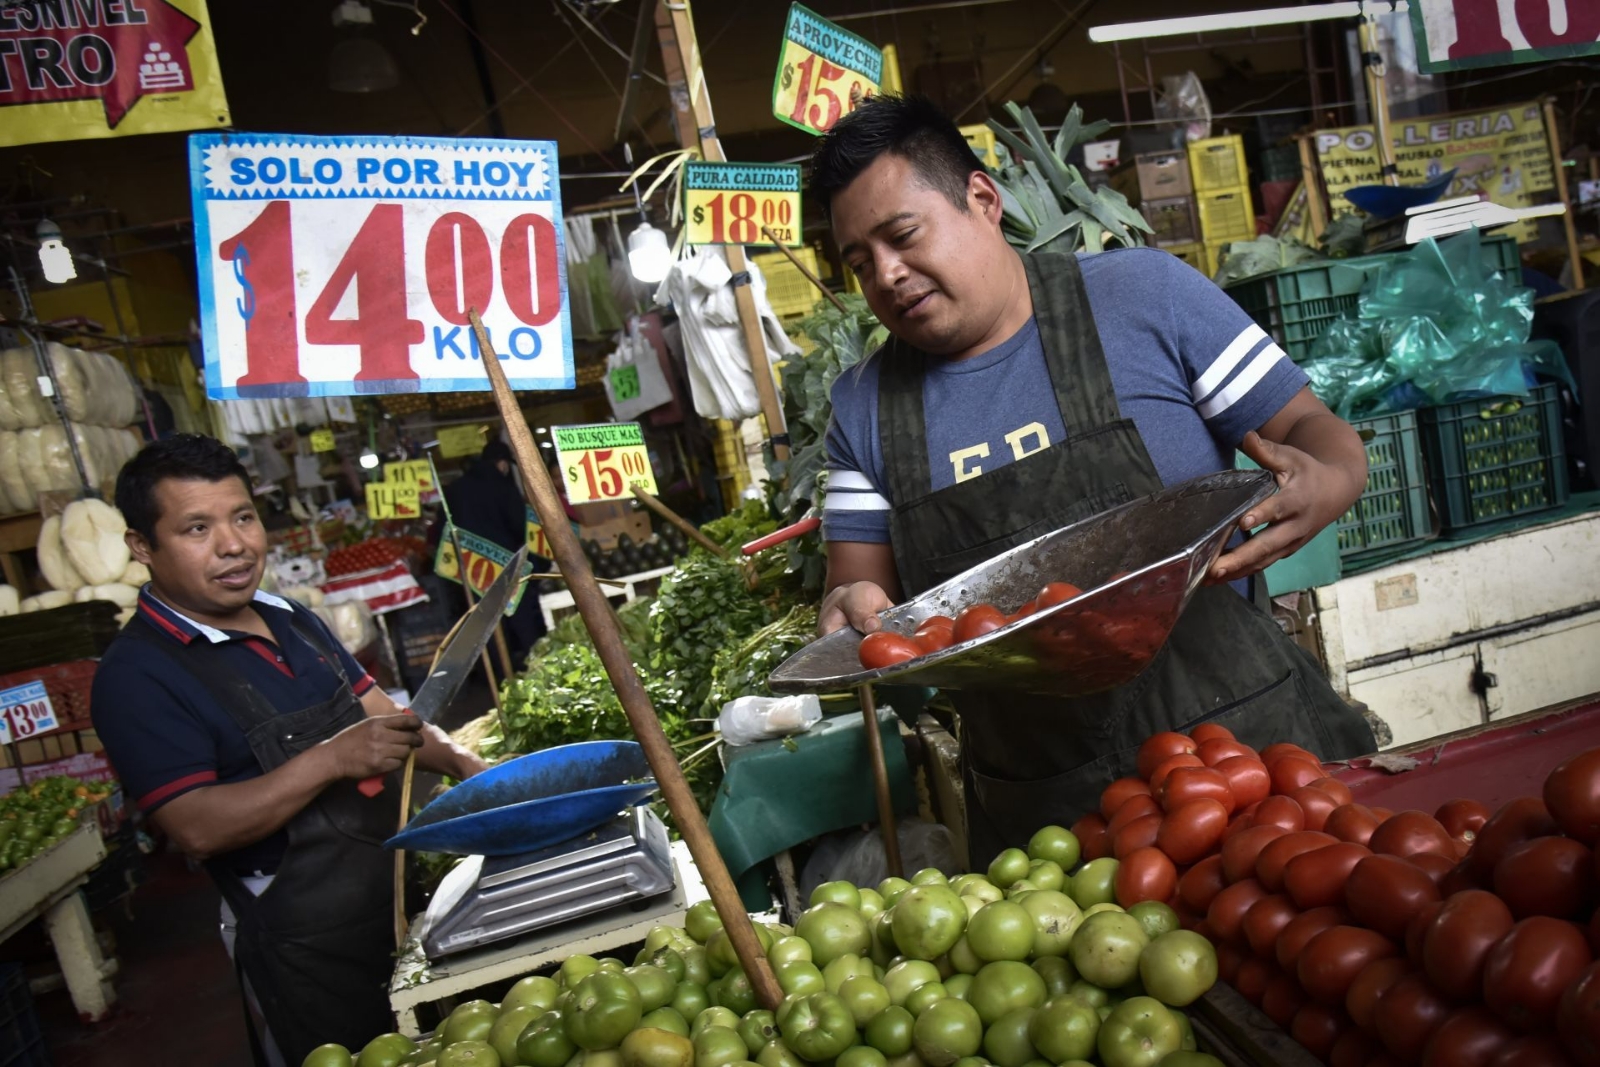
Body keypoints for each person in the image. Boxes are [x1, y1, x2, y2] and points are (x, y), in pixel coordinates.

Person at [810, 96, 1376, 863]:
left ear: (982, 200)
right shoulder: (863, 410)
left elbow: (1317, 433)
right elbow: (858, 590)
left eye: (902, 235)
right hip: (1047, 826)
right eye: (859, 262)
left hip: (1244, 765)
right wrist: (851, 612)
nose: (887, 274)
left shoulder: (1143, 299)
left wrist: (1328, 478)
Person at [90, 434, 486, 1066]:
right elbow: (195, 827)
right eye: (197, 528)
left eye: (243, 517)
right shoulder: (136, 676)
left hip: (404, 891)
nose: (234, 545)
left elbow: (387, 717)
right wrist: (330, 759)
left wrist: (471, 768)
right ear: (143, 547)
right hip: (307, 944)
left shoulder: (289, 617)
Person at [440, 438, 552, 661]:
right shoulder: (503, 487)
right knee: (521, 620)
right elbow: (519, 526)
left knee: (487, 625)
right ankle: (534, 664)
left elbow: (445, 529)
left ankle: (501, 675)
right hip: (508, 565)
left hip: (474, 568)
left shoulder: (454, 490)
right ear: (501, 463)